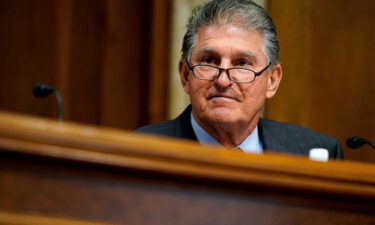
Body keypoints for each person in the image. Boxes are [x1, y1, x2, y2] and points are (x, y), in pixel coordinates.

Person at [137, 0, 343, 159]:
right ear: (185, 75)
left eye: (242, 63)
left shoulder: (315, 151)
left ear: (272, 80)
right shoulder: (142, 151)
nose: (223, 80)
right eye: (209, 60)